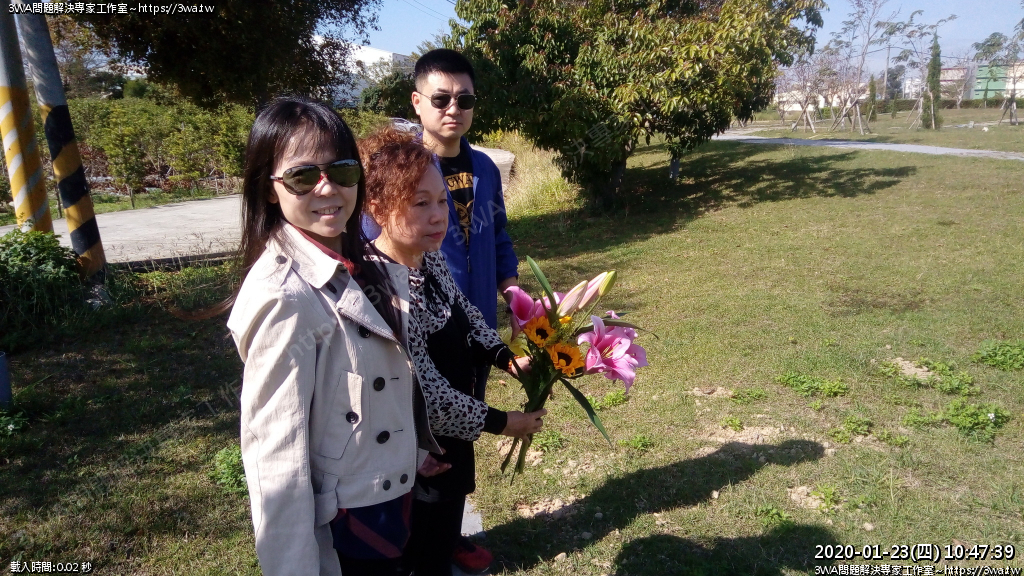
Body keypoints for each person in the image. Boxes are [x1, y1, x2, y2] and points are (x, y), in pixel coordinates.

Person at [224, 96, 444, 576]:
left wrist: (412, 449)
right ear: (269, 189)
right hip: (348, 520)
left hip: (388, 493)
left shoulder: (358, 260)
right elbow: (276, 458)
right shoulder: (283, 297)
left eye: (342, 171)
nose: (327, 188)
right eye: (303, 176)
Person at [359, 126, 546, 576]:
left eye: (442, 201)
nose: (438, 216)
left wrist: (506, 359)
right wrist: (506, 423)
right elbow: (428, 395)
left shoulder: (428, 257)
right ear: (378, 209)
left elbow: (468, 317)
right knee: (419, 546)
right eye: (420, 203)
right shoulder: (381, 287)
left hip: (452, 441)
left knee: (444, 531)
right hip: (417, 451)